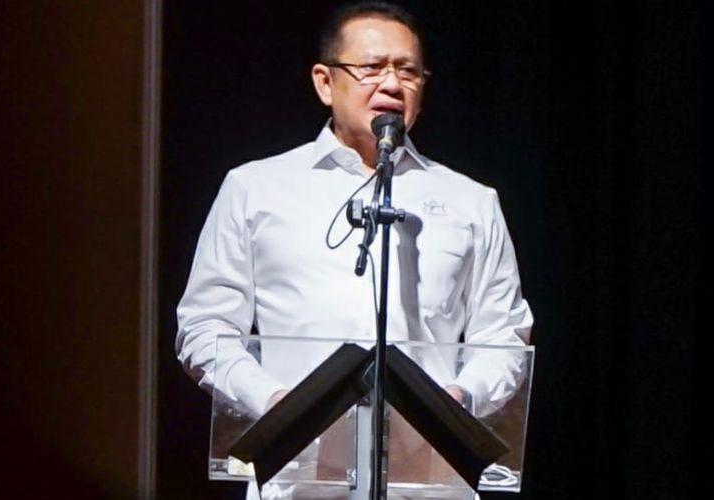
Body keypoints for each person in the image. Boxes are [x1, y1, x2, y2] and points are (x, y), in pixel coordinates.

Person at [175, 2, 533, 498]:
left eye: (408, 71)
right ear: (325, 83)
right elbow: (204, 327)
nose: (392, 84)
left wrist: (457, 401)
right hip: (299, 479)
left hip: (428, 483)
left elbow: (505, 336)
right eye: (371, 67)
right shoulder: (255, 189)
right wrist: (274, 403)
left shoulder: (471, 202)